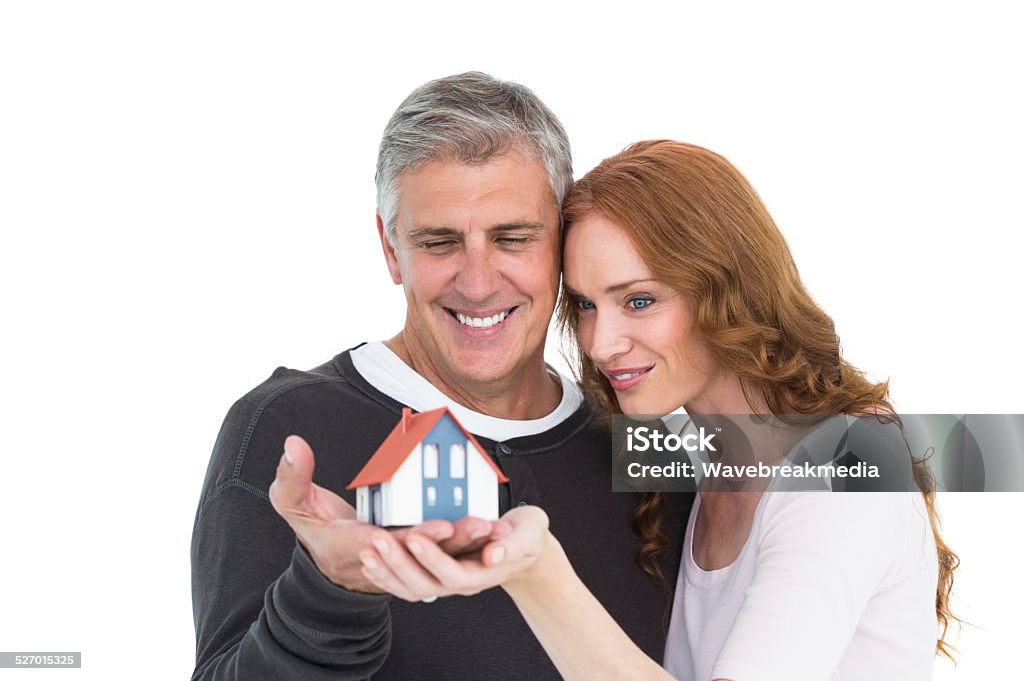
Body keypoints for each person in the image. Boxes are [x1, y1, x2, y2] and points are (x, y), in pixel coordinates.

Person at [356, 140, 960, 680]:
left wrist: (537, 574)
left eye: (639, 300)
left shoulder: (847, 467)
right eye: (588, 306)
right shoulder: (693, 466)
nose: (600, 344)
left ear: (728, 289)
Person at [190, 76, 687, 679]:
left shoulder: (647, 444)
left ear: (563, 241)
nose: (478, 284)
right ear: (390, 248)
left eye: (512, 238)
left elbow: (816, 468)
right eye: (439, 242)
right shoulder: (291, 431)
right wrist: (330, 590)